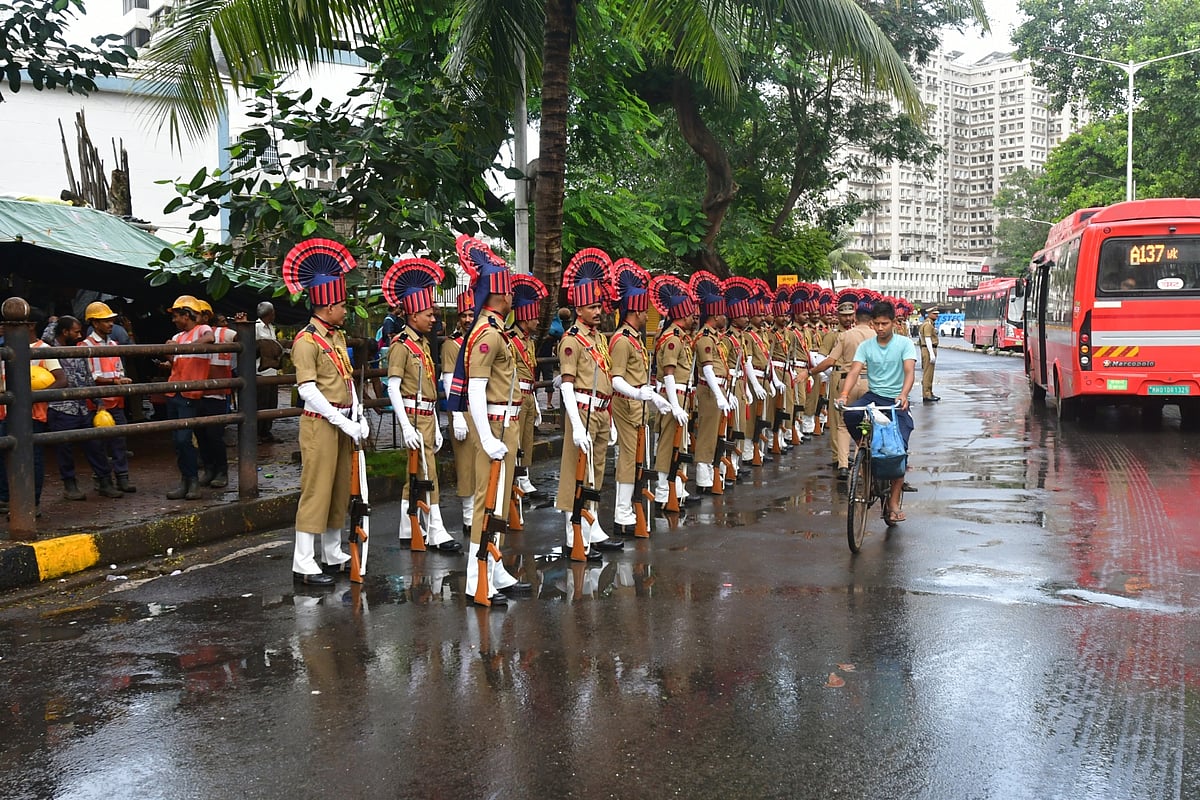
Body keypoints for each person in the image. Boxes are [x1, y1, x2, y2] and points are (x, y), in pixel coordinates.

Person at [448, 235, 531, 606]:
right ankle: (475, 578)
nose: (513, 298)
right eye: (510, 292)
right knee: (487, 501)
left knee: (498, 502)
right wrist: (485, 436)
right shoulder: (487, 333)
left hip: (505, 423)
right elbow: (476, 390)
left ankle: (494, 570)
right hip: (495, 424)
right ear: (500, 296)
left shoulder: (495, 330)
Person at [282, 238, 369, 586]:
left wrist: (357, 412)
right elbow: (307, 390)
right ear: (328, 305)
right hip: (321, 423)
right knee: (316, 490)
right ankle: (304, 562)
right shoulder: (306, 340)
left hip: (343, 420)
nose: (346, 310)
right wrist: (341, 421)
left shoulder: (334, 337)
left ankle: (331, 553)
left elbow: (346, 379)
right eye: (343, 304)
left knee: (337, 490)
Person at [382, 257, 462, 553]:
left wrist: (437, 425)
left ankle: (408, 527)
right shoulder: (401, 345)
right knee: (428, 474)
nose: (433, 319)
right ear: (413, 315)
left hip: (427, 416)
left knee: (415, 474)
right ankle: (436, 530)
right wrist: (405, 426)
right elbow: (393, 388)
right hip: (414, 417)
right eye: (429, 314)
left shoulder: (424, 344)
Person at [555, 248, 623, 557]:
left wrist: (607, 419)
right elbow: (567, 387)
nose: (599, 312)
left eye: (599, 306)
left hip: (599, 411)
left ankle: (591, 525)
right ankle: (574, 535)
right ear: (579, 309)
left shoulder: (597, 338)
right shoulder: (571, 340)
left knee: (595, 471)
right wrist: (577, 425)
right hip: (581, 410)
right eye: (593, 307)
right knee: (576, 472)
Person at [837, 300, 916, 524]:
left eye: (885, 323)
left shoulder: (904, 344)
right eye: (877, 324)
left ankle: (893, 501)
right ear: (872, 324)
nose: (881, 328)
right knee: (851, 413)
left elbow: (909, 372)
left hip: (895, 400)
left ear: (893, 323)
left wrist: (903, 394)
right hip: (873, 397)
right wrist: (844, 393)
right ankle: (866, 451)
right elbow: (854, 371)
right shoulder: (866, 346)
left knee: (899, 450)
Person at [609, 259, 669, 532]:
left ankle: (629, 509)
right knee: (628, 457)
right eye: (644, 311)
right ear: (634, 311)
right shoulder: (622, 340)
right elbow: (617, 379)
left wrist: (650, 394)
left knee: (638, 459)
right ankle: (622, 512)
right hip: (627, 406)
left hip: (638, 406)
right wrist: (638, 392)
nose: (647, 315)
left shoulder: (634, 338)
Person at [46, 316, 124, 501]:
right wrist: (52, 322)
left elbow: (87, 377)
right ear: (64, 332)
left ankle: (105, 481)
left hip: (81, 406)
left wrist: (97, 401)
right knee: (64, 448)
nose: (79, 334)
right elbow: (48, 335)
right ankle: (70, 484)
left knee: (94, 445)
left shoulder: (79, 349)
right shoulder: (49, 349)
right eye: (75, 331)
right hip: (61, 407)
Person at [0, 308, 68, 514]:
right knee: (4, 454)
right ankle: (5, 497)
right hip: (4, 411)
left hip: (33, 414)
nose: (4, 326)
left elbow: (61, 379)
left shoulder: (43, 349)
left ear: (30, 325)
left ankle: (31, 501)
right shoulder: (4, 349)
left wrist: (34, 397)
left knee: (32, 457)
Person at [812, 291, 874, 480]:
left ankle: (844, 463)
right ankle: (848, 458)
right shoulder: (875, 335)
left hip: (846, 381)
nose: (847, 318)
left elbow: (827, 360)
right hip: (859, 379)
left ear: (855, 316)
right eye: (844, 315)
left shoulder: (847, 335)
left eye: (850, 315)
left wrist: (811, 372)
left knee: (842, 423)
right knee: (861, 421)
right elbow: (821, 356)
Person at [651, 274, 699, 504]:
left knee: (680, 443)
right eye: (690, 314)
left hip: (681, 394)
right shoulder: (672, 339)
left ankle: (677, 487)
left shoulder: (682, 337)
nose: (693, 318)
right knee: (669, 442)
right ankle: (663, 490)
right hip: (673, 395)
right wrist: (675, 405)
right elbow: (669, 373)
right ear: (681, 315)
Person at [160, 296, 214, 501]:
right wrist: (169, 352)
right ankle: (186, 480)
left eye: (176, 316)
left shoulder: (201, 330)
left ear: (187, 315)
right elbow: (178, 362)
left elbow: (209, 339)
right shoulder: (177, 336)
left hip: (190, 392)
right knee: (177, 440)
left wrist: (182, 347)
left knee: (184, 439)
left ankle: (192, 481)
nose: (174, 320)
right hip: (174, 391)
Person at [82, 301, 136, 493]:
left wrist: (118, 380)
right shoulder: (85, 346)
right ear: (95, 323)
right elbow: (92, 376)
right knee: (97, 444)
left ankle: (122, 477)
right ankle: (104, 479)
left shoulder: (113, 344)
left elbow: (117, 370)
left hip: (115, 401)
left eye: (111, 320)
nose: (111, 324)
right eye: (106, 321)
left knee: (118, 440)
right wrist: (115, 382)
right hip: (96, 402)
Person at [689, 272, 733, 494]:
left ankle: (713, 471)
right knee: (707, 432)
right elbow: (707, 368)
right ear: (715, 315)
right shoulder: (706, 337)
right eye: (722, 314)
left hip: (719, 388)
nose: (726, 317)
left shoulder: (715, 336)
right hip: (709, 389)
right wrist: (718, 394)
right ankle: (704, 477)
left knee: (717, 432)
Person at [509, 274, 548, 499]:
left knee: (527, 439)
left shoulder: (528, 341)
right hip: (516, 396)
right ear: (525, 317)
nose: (537, 322)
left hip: (529, 395)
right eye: (534, 317)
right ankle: (516, 478)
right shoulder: (510, 340)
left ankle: (524, 476)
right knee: (516, 440)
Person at [441, 292, 476, 537]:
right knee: (466, 463)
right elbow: (448, 380)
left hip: (481, 407)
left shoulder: (479, 339)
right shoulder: (451, 345)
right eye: (463, 315)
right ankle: (468, 515)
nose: (466, 319)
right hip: (461, 406)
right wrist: (458, 415)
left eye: (470, 314)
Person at [196, 301, 232, 488]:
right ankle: (210, 469)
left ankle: (221, 470)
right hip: (196, 392)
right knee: (201, 434)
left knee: (214, 435)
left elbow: (244, 339)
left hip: (215, 392)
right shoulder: (189, 334)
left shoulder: (223, 333)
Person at [255, 301, 285, 443]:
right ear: (269, 313)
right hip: (260, 371)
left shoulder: (271, 328)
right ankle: (258, 433)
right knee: (261, 403)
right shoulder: (256, 327)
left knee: (271, 403)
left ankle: (266, 432)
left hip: (272, 370)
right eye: (272, 312)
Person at [919, 306, 941, 402]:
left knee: (929, 372)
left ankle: (929, 392)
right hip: (929, 349)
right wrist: (931, 353)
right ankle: (927, 394)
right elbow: (927, 339)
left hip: (928, 349)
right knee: (928, 373)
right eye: (935, 314)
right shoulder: (928, 324)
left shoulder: (929, 323)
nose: (937, 315)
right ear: (929, 314)